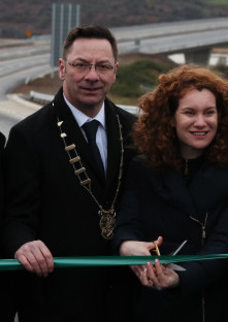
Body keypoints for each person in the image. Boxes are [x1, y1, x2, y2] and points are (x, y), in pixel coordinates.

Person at [1, 24, 138, 321]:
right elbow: (15, 215)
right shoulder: (29, 136)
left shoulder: (136, 131)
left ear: (115, 71)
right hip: (55, 300)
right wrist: (22, 243)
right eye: (81, 65)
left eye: (102, 66)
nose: (92, 76)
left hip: (124, 298)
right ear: (63, 68)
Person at [114, 65, 228, 321]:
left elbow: (224, 245)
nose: (201, 122)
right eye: (189, 112)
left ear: (222, 117)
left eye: (209, 113)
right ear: (170, 118)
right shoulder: (142, 170)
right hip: (151, 302)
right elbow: (127, 221)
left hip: (212, 305)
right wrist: (127, 246)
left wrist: (179, 276)